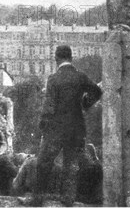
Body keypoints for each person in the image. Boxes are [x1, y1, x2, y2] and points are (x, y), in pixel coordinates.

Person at [33, 45, 103, 206]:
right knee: (71, 165)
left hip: (56, 130)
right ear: (71, 58)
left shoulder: (53, 78)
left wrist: (43, 125)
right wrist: (85, 104)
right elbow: (97, 92)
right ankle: (68, 200)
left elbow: (49, 105)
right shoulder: (81, 77)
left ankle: (37, 200)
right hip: (77, 130)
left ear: (56, 59)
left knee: (44, 162)